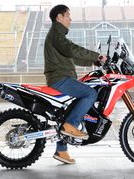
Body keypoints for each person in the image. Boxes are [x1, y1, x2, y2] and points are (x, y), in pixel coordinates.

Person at [44, 4, 107, 164]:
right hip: (60, 79)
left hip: (62, 77)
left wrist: (95, 61)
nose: (70, 20)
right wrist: (97, 56)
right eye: (68, 16)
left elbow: (74, 57)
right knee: (90, 93)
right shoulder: (56, 35)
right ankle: (71, 125)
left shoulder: (58, 36)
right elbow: (72, 50)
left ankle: (61, 150)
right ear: (59, 17)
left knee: (69, 110)